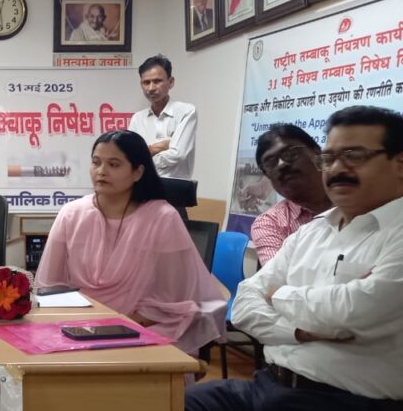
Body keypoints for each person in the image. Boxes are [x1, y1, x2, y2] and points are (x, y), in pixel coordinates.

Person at [185, 105, 403, 410]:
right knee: (170, 401)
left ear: (399, 164)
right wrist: (299, 330)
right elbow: (246, 302)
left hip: (343, 400)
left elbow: (358, 310)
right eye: (330, 158)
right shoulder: (311, 232)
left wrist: (279, 295)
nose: (337, 169)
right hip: (268, 384)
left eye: (354, 156)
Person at [34, 130, 224, 354]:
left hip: (139, 327)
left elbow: (171, 298)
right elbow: (49, 285)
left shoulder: (162, 218)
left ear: (137, 172)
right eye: (96, 162)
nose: (101, 171)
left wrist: (116, 326)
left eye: (114, 164)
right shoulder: (71, 213)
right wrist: (81, 325)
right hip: (76, 326)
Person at [250, 124, 332, 267]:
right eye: (270, 163)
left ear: (317, 153)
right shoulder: (271, 223)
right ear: (268, 176)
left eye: (290, 153)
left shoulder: (353, 198)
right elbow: (278, 279)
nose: (281, 165)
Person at [129, 55, 197, 179]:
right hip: (144, 187)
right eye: (146, 82)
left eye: (157, 81)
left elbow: (178, 155)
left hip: (176, 187)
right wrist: (163, 146)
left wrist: (145, 157)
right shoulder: (137, 119)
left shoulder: (186, 111)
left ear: (171, 82)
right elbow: (131, 158)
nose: (151, 88)